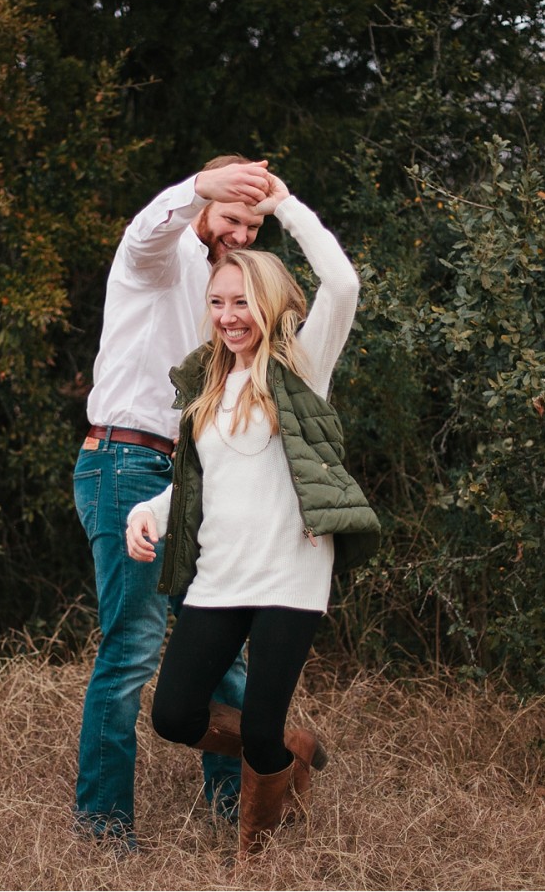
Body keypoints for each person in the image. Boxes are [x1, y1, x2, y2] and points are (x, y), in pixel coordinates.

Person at [125, 173, 380, 860]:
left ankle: (255, 858)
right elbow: (198, 481)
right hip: (221, 575)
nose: (228, 314)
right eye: (217, 301)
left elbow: (345, 285)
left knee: (258, 730)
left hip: (290, 575)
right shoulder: (208, 385)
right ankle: (288, 748)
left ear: (268, 303)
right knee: (174, 714)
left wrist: (286, 206)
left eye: (242, 301)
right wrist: (147, 512)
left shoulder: (301, 363)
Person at [73, 156, 276, 850]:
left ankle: (238, 809)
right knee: (131, 650)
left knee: (222, 648)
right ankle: (103, 829)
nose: (242, 233)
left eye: (253, 224)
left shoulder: (228, 292)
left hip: (188, 473)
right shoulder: (156, 258)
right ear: (205, 205)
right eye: (231, 216)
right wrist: (199, 188)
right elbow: (145, 228)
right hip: (124, 463)